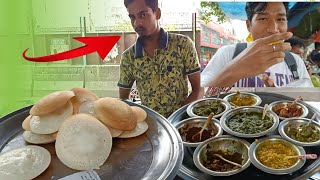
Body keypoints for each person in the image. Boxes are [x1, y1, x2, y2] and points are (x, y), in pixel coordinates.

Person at [118, 0, 203, 118]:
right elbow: (123, 100)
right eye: (132, 17)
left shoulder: (182, 44)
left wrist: (178, 118)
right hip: (151, 126)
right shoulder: (129, 57)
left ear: (157, 13)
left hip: (181, 124)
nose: (137, 23)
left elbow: (198, 90)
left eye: (143, 15)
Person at [201, 2, 312, 88]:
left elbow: (308, 103)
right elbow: (200, 98)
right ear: (249, 25)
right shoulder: (227, 53)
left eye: (281, 19)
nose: (273, 29)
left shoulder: (296, 62)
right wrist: (234, 70)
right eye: (263, 18)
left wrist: (281, 98)